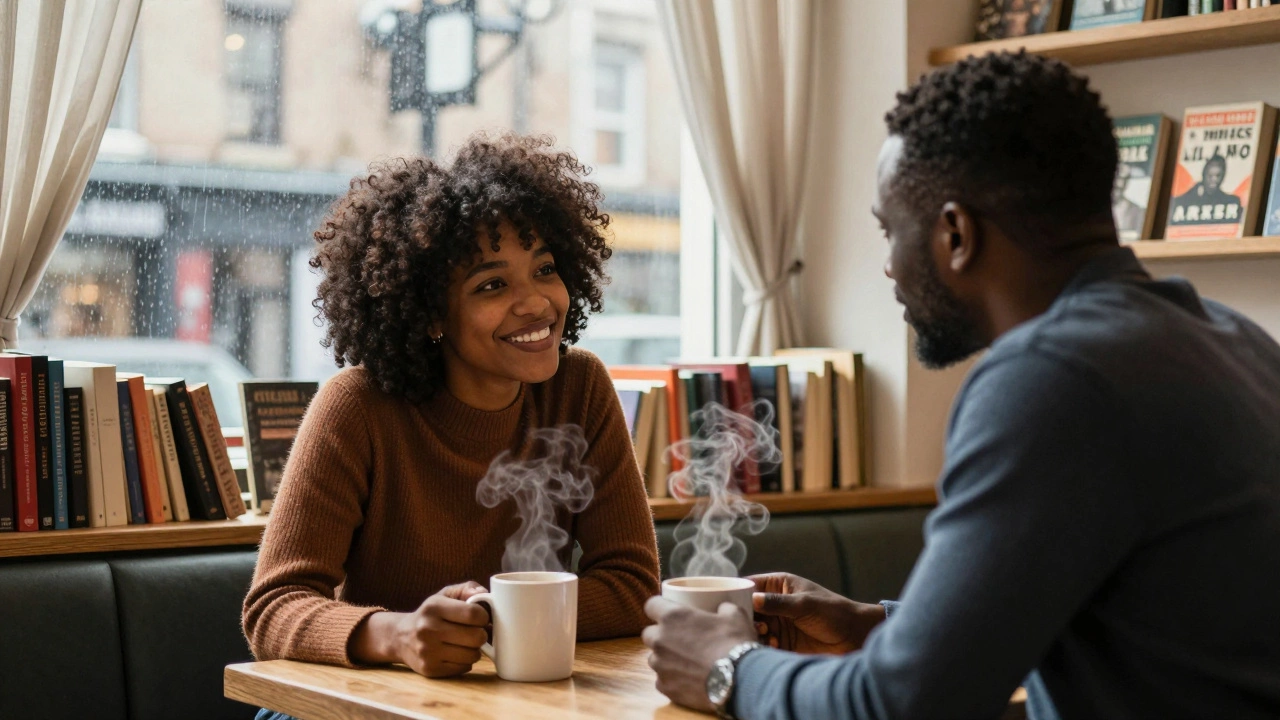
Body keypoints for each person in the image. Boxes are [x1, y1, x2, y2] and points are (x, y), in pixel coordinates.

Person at [643, 51, 1280, 720]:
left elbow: (898, 708)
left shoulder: (1055, 379)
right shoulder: (1231, 339)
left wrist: (729, 668)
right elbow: (1144, 623)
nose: (888, 267)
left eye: (890, 231)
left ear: (955, 234)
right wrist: (878, 626)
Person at [242, 134, 661, 693]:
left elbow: (634, 587)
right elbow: (273, 608)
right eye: (492, 284)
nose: (536, 302)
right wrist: (398, 634)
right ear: (432, 313)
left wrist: (488, 618)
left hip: (510, 700)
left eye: (544, 269)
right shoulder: (358, 407)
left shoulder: (579, 389)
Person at [1168, 154, 1242, 226]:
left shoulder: (1232, 202)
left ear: (1223, 176)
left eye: (1218, 175)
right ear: (1204, 175)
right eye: (1210, 176)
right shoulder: (1181, 202)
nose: (1214, 180)